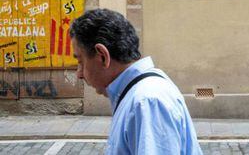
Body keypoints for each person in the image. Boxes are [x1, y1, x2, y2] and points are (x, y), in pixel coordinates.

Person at [70, 8, 203, 155]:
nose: (79, 74)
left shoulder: (147, 102)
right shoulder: (139, 95)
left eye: (80, 61)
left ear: (102, 56)